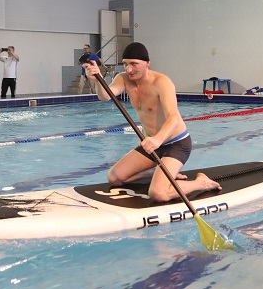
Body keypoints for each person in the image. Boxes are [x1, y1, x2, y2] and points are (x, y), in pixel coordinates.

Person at [83, 42, 221, 202]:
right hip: (151, 145)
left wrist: (157, 139)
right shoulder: (123, 78)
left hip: (176, 143)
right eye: (125, 64)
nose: (129, 69)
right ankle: (161, 173)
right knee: (115, 178)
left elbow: (173, 117)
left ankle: (201, 183)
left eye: (134, 64)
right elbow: (105, 96)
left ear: (147, 63)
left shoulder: (162, 82)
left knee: (158, 194)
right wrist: (98, 80)